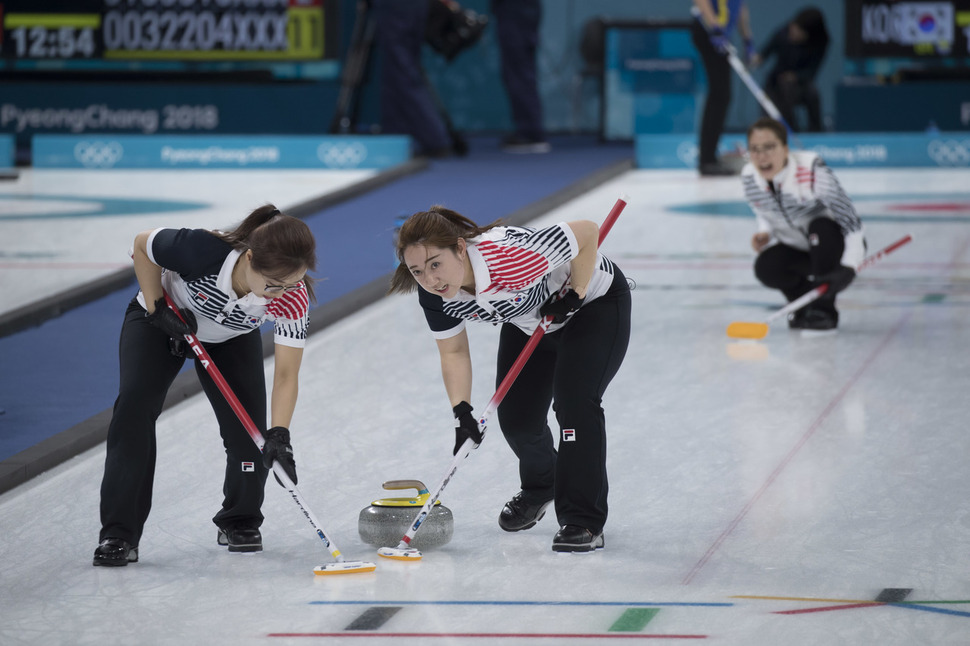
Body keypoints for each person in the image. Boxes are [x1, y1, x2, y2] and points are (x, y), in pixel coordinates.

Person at [389, 206, 631, 552]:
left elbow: (587, 231)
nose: (430, 279)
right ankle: (542, 485)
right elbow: (453, 352)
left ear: (460, 248)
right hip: (530, 319)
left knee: (575, 405)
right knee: (518, 420)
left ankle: (582, 519)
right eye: (417, 271)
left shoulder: (509, 259)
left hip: (593, 307)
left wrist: (576, 293)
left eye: (435, 264)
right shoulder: (434, 294)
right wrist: (462, 413)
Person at [93, 205, 316, 566]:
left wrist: (280, 434)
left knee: (250, 433)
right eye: (273, 285)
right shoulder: (203, 249)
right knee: (134, 409)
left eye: (293, 283)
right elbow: (142, 245)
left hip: (230, 338)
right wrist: (157, 308)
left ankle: (239, 518)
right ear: (249, 259)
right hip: (161, 321)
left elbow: (287, 374)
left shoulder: (292, 295)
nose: (282, 293)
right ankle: (119, 533)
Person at [742, 117, 866, 331]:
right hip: (800, 249)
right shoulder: (750, 177)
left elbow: (850, 219)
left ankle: (823, 310)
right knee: (766, 266)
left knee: (820, 227)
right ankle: (803, 304)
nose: (761, 157)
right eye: (755, 149)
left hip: (832, 245)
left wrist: (849, 265)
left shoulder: (812, 171)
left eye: (769, 147)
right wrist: (765, 232)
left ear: (785, 148)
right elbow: (763, 210)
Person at [690, 0, 754, 176]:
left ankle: (709, 157)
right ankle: (707, 160)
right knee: (720, 95)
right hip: (708, 29)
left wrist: (747, 38)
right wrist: (714, 28)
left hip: (722, 33)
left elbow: (740, 7)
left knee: (722, 96)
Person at [750, 7, 830, 132]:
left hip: (801, 84)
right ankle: (789, 130)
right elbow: (765, 53)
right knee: (780, 90)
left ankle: (816, 132)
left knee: (811, 94)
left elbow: (812, 71)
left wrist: (795, 76)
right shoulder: (783, 33)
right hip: (776, 83)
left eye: (798, 32)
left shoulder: (820, 42)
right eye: (793, 28)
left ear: (808, 35)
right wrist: (755, 60)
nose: (793, 33)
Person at [491, 0, 549, 153]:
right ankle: (530, 130)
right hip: (519, 10)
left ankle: (530, 133)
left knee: (518, 73)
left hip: (516, 10)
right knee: (519, 72)